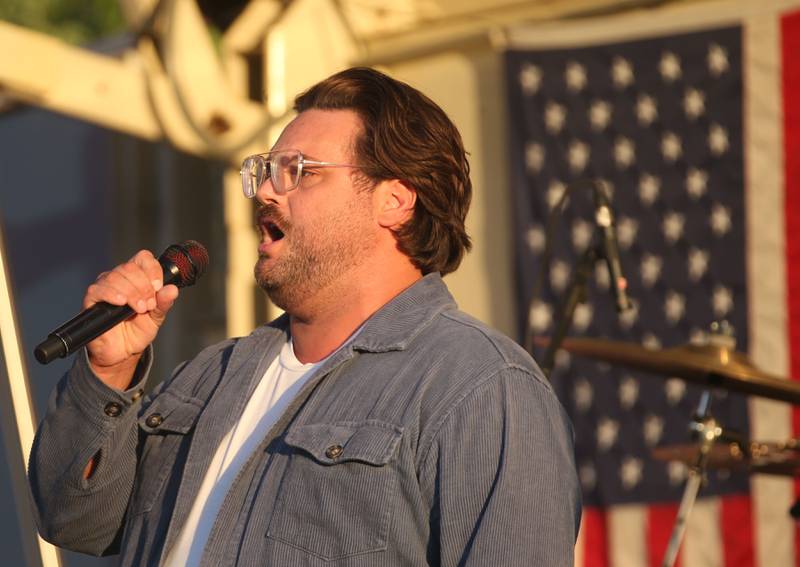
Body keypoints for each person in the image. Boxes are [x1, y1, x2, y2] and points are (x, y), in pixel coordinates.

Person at [28, 67, 580, 566]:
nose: (266, 190)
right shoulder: (211, 374)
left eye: (299, 171)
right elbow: (75, 520)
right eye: (265, 170)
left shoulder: (478, 387)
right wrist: (109, 373)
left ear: (395, 200)